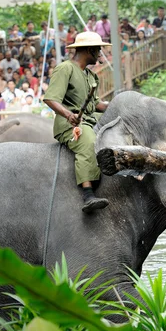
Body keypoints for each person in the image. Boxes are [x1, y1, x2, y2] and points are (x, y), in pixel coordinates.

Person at [43, 31, 110, 214]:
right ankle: (88, 194)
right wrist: (68, 114)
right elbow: (50, 99)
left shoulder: (90, 76)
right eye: (98, 50)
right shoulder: (65, 68)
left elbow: (96, 104)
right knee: (88, 141)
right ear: (89, 49)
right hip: (71, 124)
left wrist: (115, 106)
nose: (100, 54)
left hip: (89, 119)